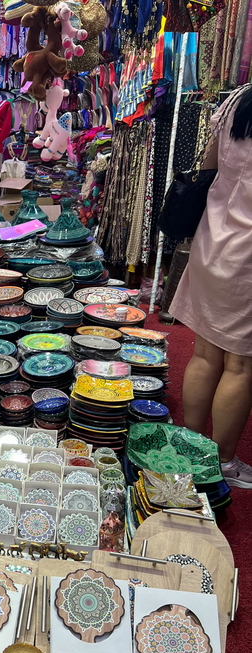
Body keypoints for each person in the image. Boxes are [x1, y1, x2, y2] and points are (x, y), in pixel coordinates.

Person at [170, 84, 252, 488]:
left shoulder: (238, 99)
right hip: (248, 256)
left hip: (213, 238)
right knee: (241, 363)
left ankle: (191, 442)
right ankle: (221, 461)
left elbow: (208, 167)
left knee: (205, 351)